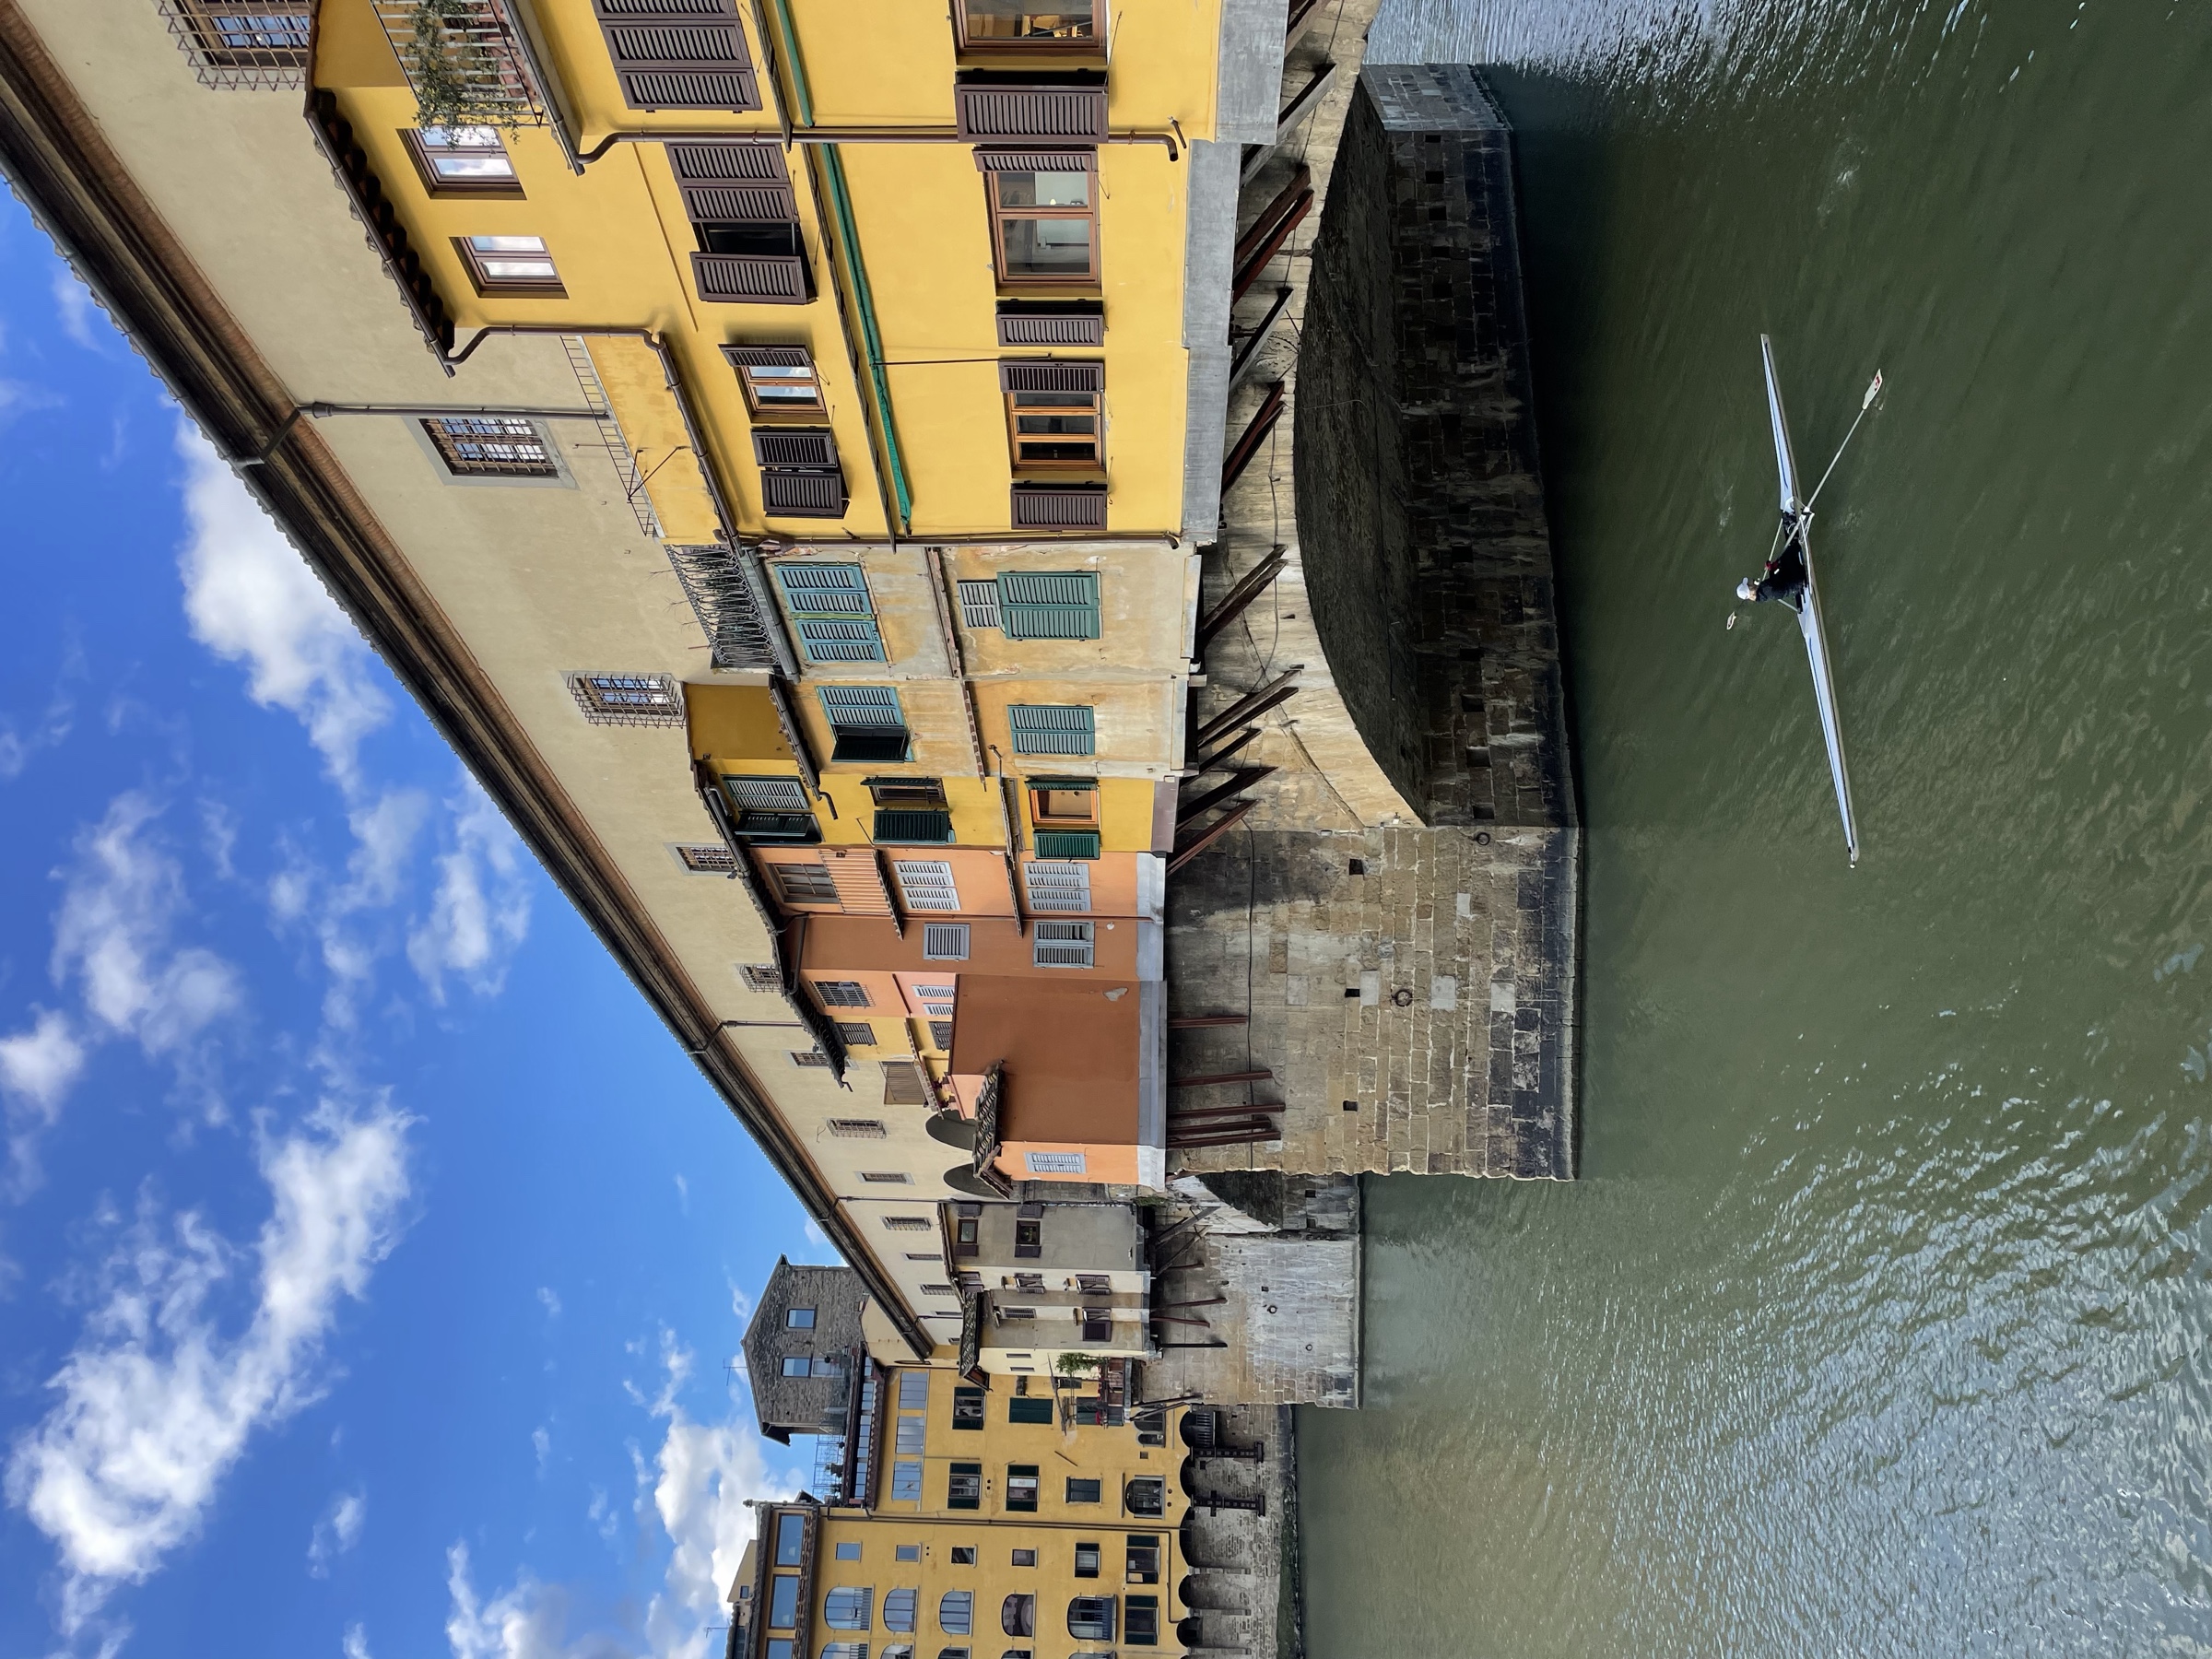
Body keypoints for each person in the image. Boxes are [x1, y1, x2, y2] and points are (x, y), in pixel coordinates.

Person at [1736, 522, 1809, 612]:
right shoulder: (1767, 590)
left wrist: (1772, 569)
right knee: (1787, 555)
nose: (1750, 583)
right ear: (1750, 590)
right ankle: (1801, 539)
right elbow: (1778, 585)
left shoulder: (1761, 594)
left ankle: (1796, 542)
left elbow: (1775, 581)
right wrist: (1774, 568)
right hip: (1797, 579)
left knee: (1782, 560)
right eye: (1748, 585)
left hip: (1790, 580)